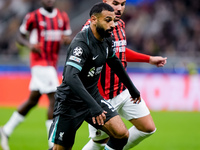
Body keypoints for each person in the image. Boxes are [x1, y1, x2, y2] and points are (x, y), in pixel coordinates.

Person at [48, 2, 142, 150]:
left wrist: (132, 88)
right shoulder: (81, 44)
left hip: (93, 97)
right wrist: (93, 106)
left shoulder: (106, 39)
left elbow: (115, 62)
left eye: (113, 20)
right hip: (70, 103)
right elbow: (71, 77)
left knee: (121, 134)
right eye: (107, 20)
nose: (112, 25)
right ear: (94, 19)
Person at [82, 0, 167, 150]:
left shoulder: (119, 24)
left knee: (147, 127)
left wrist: (149, 59)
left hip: (122, 89)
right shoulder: (92, 27)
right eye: (115, 3)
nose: (119, 8)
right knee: (100, 142)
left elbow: (119, 51)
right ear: (105, 2)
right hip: (102, 96)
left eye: (123, 4)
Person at [0, 0, 72, 149]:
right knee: (55, 99)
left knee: (33, 100)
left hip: (52, 64)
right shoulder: (33, 17)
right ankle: (52, 144)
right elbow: (19, 36)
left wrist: (66, 40)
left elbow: (67, 38)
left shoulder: (62, 17)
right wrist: (30, 45)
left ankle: (5, 130)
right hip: (40, 63)